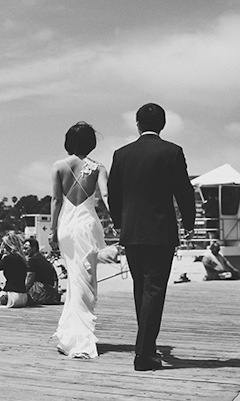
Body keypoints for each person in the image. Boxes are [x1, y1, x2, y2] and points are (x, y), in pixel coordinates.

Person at [108, 103, 195, 371]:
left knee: (141, 290)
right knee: (154, 291)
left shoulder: (122, 154)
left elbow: (114, 194)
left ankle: (147, 346)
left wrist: (119, 223)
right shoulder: (172, 152)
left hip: (132, 231)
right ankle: (144, 354)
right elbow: (184, 190)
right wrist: (188, 222)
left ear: (137, 124)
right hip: (161, 231)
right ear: (163, 124)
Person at [50, 121, 109, 359]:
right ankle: (81, 342)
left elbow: (55, 200)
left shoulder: (58, 166)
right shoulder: (98, 167)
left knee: (75, 280)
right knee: (85, 282)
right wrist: (118, 220)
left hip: (66, 225)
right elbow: (105, 195)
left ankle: (68, 337)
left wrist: (52, 230)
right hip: (87, 224)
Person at [24, 238, 59, 305]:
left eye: (26, 248)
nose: (24, 251)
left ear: (34, 248)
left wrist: (22, 292)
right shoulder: (43, 259)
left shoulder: (32, 261)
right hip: (51, 294)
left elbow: (29, 280)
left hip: (40, 294)